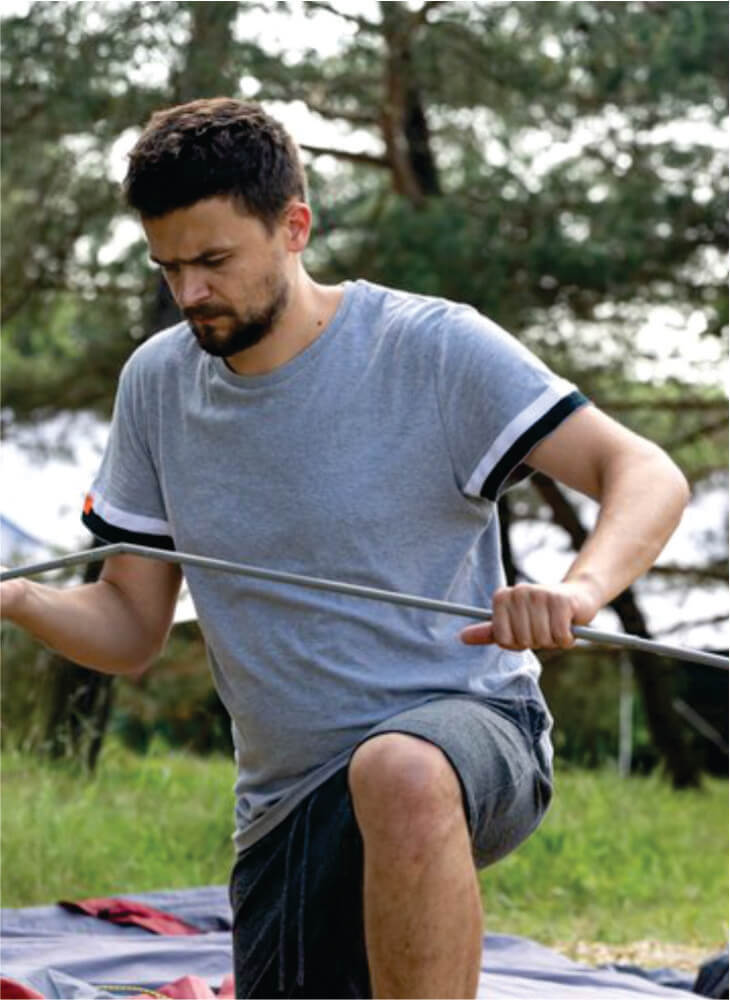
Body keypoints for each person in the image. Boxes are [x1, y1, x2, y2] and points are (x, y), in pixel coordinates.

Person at [1, 98, 690, 999]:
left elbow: (644, 471)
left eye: (213, 261)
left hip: (471, 731)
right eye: (168, 266)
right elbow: (132, 625)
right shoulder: (157, 384)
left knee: (397, 766)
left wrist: (580, 588)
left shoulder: (431, 347)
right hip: (288, 805)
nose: (190, 293)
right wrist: (15, 597)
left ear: (295, 227)